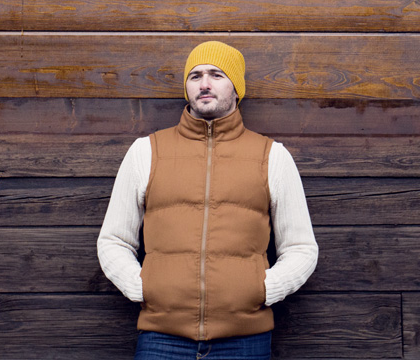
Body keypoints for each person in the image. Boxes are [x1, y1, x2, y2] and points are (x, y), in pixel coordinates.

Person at [97, 41, 319, 359]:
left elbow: (301, 248)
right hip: (162, 339)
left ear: (237, 88)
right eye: (195, 75)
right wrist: (143, 287)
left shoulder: (272, 157)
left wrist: (263, 289)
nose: (204, 84)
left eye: (216, 74)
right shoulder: (146, 152)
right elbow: (113, 240)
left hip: (245, 340)